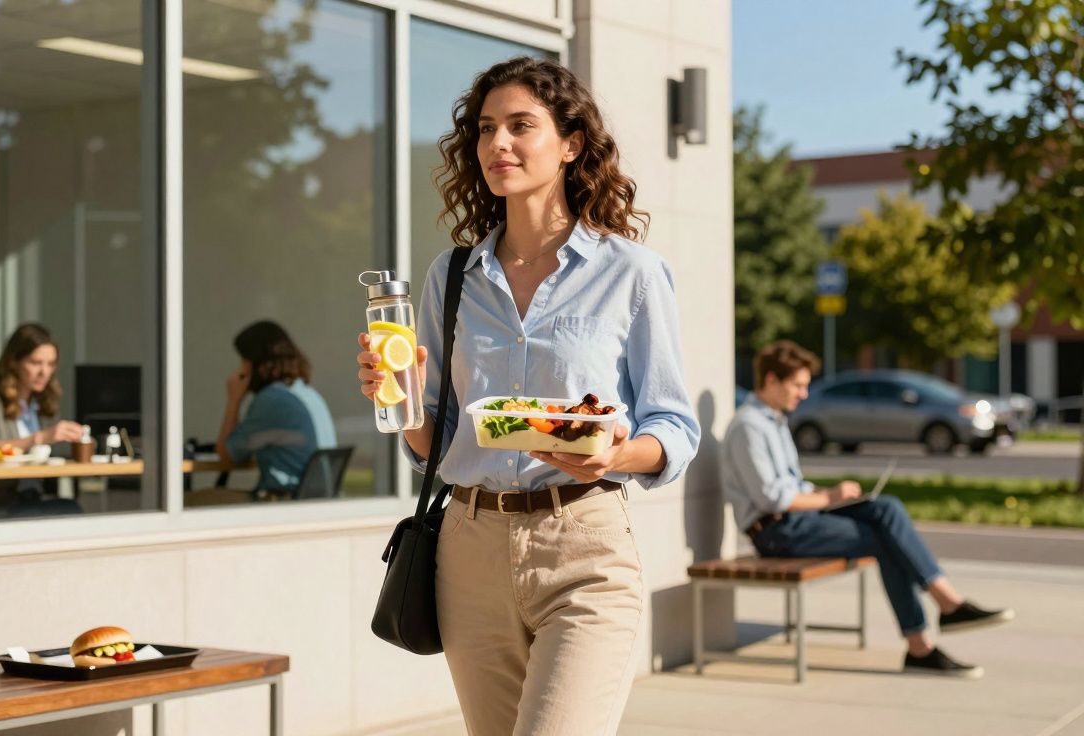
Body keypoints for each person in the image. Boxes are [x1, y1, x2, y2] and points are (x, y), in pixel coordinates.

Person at [356, 57, 699, 735]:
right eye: (486, 129)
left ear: (571, 144)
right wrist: (400, 398)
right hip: (468, 550)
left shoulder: (631, 273)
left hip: (584, 547)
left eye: (520, 125)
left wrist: (616, 455)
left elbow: (674, 424)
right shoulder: (453, 275)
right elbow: (436, 442)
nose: (498, 144)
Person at [721, 340, 1014, 679]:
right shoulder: (749, 427)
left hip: (799, 520)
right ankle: (929, 633)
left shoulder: (774, 421)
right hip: (777, 533)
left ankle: (943, 608)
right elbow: (772, 499)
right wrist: (829, 499)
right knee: (884, 540)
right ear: (772, 380)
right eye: (798, 385)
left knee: (885, 508)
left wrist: (830, 493)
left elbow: (792, 486)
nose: (804, 394)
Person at [0, 323, 85, 516]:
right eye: (36, 363)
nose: (44, 372)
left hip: (33, 497)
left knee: (71, 510)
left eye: (51, 364)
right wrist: (38, 439)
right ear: (13, 362)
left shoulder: (44, 401)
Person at [212, 320, 336, 499]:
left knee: (190, 502)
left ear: (254, 363)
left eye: (244, 360)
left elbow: (227, 456)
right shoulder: (308, 394)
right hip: (315, 501)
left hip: (284, 502)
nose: (240, 368)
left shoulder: (271, 400)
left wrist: (233, 401)